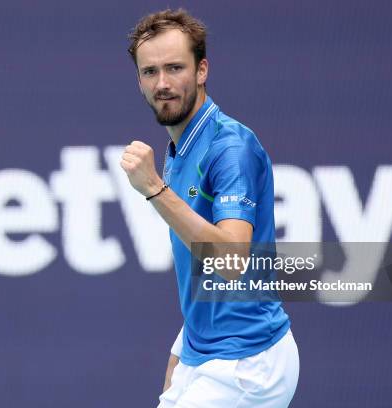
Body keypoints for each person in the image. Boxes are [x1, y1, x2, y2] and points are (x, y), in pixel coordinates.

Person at [120, 9, 300, 408]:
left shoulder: (230, 147)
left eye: (175, 68)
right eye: (150, 72)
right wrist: (184, 344)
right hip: (206, 351)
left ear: (202, 70)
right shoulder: (182, 147)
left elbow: (233, 259)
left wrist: (153, 188)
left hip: (248, 362)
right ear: (139, 81)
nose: (162, 84)